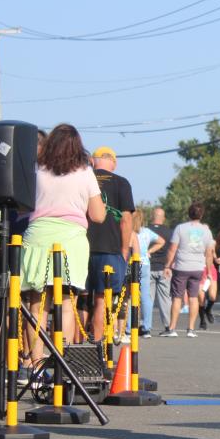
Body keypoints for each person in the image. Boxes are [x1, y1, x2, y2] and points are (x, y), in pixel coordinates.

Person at [19, 124, 106, 364]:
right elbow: (98, 215)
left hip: (38, 237)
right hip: (71, 240)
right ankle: (61, 364)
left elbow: (22, 207)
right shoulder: (85, 173)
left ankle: (35, 364)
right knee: (67, 304)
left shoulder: (37, 169)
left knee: (37, 305)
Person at [86, 146, 135, 342]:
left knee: (77, 299)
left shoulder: (83, 179)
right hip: (110, 249)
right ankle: (99, 347)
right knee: (102, 299)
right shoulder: (121, 183)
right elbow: (126, 219)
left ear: (92, 161)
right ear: (113, 163)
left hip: (81, 246)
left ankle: (74, 347)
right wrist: (124, 249)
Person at [160, 202, 215, 338]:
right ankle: (191, 329)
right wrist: (208, 271)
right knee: (193, 297)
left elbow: (172, 249)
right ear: (201, 215)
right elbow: (209, 253)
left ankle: (172, 328)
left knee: (177, 297)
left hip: (181, 267)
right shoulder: (207, 231)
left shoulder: (180, 228)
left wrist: (167, 266)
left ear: (188, 214)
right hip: (198, 268)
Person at [132, 210, 164, 338]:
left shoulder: (129, 232)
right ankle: (146, 328)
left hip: (131, 264)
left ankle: (128, 328)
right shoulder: (146, 232)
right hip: (145, 264)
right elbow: (161, 241)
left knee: (130, 296)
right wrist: (149, 251)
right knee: (145, 296)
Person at [148, 208, 175, 332]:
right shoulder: (170, 233)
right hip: (164, 268)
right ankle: (168, 326)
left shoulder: (145, 231)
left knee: (147, 298)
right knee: (165, 299)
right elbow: (172, 250)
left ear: (152, 217)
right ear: (163, 218)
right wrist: (169, 266)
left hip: (148, 268)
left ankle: (145, 326)